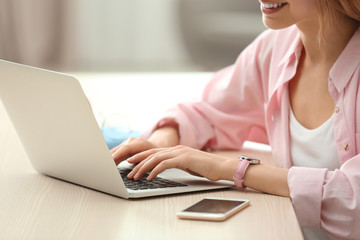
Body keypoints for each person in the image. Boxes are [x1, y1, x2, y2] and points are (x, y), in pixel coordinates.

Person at [111, 0, 360, 239]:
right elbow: (210, 111)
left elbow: (352, 201)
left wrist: (228, 168)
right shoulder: (275, 48)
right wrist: (161, 143)